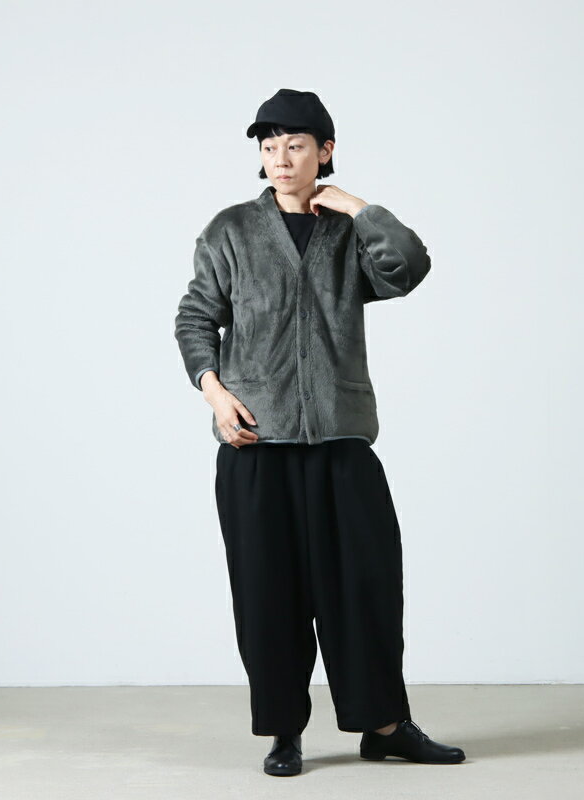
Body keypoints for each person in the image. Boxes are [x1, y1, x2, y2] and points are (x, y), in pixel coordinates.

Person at [174, 88, 465, 776]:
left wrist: (360, 209)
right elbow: (196, 317)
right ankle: (284, 733)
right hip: (257, 444)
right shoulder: (231, 231)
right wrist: (215, 392)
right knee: (269, 596)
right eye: (269, 147)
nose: (280, 158)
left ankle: (384, 726)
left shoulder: (348, 233)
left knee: (366, 588)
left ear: (324, 151)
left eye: (295, 145)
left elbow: (409, 268)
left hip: (340, 440)